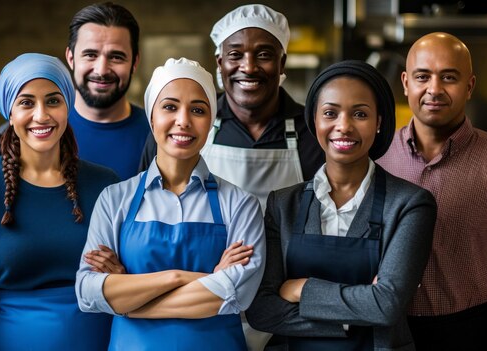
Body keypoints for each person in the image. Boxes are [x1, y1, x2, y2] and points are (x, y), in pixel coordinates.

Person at [246, 60, 437, 350]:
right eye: (330, 113)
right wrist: (357, 312)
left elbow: (386, 305)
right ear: (315, 120)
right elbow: (261, 310)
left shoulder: (410, 205)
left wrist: (301, 288)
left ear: (379, 122)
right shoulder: (283, 205)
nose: (343, 126)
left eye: (359, 114)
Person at [76, 58, 265, 350]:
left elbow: (237, 294)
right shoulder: (114, 199)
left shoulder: (241, 205)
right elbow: (88, 292)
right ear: (152, 118)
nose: (183, 120)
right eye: (170, 107)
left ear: (210, 122)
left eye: (198, 110)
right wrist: (193, 278)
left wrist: (127, 297)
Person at [0, 53, 120, 350]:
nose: (41, 115)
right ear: (10, 113)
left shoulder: (106, 184)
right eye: (27, 103)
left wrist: (121, 275)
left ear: (68, 108)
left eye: (53, 101)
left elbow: (129, 274)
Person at [377, 32, 487, 351]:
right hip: (389, 329)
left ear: (469, 86)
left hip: (473, 329)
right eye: (422, 76)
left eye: (448, 77)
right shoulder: (377, 157)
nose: (434, 89)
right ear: (405, 83)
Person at [139, 4, 324, 212]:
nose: (249, 67)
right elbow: (148, 204)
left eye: (263, 55)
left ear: (282, 63)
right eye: (236, 54)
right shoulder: (181, 129)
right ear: (220, 62)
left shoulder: (313, 132)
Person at [65, 2, 150, 180]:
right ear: (71, 58)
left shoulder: (156, 135)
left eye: (116, 57)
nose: (102, 70)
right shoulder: (41, 131)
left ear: (134, 62)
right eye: (90, 55)